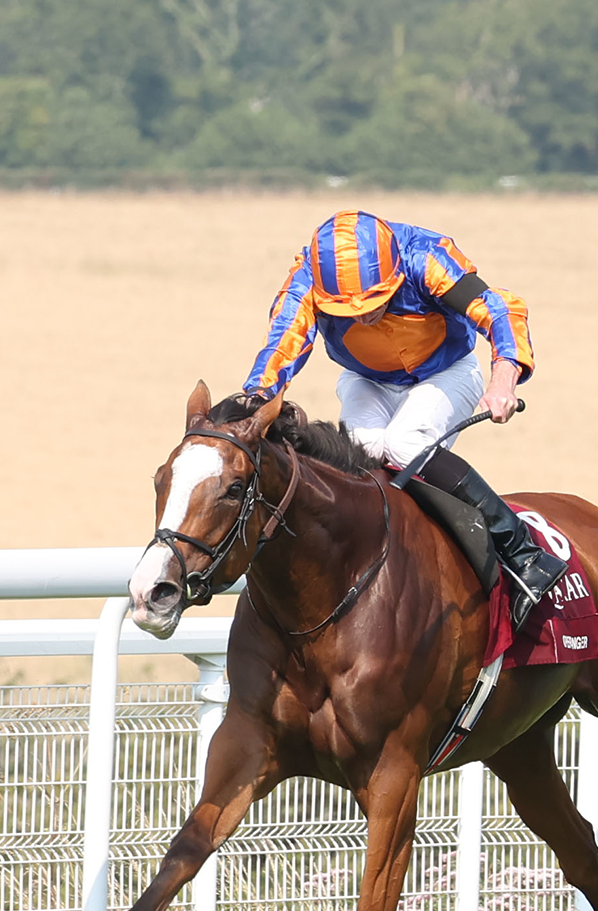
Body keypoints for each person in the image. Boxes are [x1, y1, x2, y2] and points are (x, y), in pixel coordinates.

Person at [240, 209, 567, 628]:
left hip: (446, 370)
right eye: (346, 310)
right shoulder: (306, 282)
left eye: (374, 302)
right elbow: (281, 348)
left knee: (405, 443)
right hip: (366, 378)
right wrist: (255, 403)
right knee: (360, 460)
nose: (361, 317)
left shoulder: (425, 258)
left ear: (395, 274)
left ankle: (522, 552)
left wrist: (504, 377)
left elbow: (500, 308)